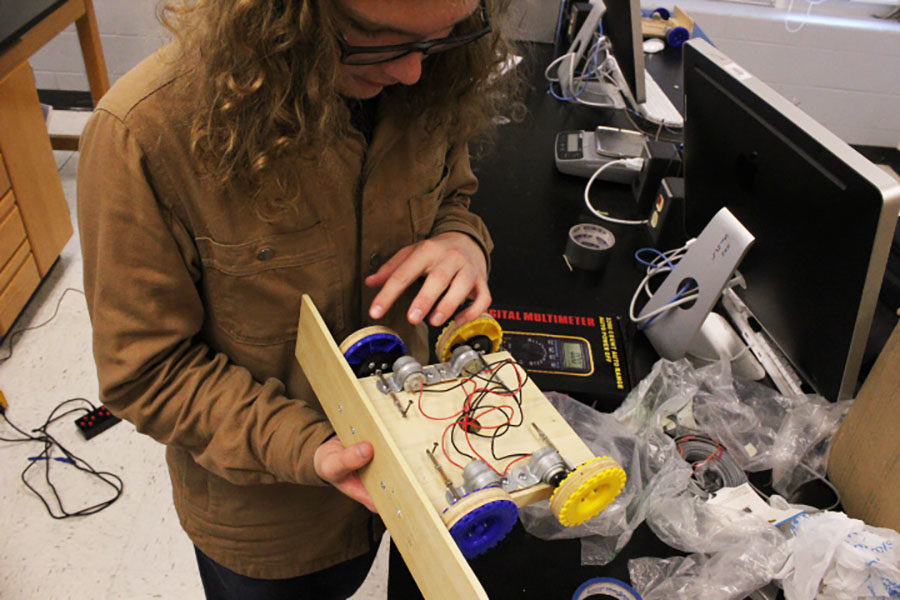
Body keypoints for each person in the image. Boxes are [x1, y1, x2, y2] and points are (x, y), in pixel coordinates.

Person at [77, 0, 521, 597]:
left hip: (418, 461)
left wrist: (460, 242)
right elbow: (148, 372)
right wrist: (308, 447)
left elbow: (452, 194)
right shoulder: (144, 134)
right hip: (274, 525)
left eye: (439, 37)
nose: (414, 71)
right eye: (376, 35)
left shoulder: (432, 72)